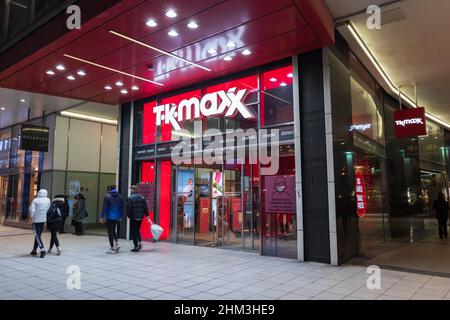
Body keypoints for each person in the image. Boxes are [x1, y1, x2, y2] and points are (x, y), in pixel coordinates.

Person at [100, 185, 124, 253]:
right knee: (113, 230)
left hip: (110, 217)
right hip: (117, 217)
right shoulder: (120, 196)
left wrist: (102, 217)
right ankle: (117, 244)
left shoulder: (107, 196)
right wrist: (120, 216)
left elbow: (104, 208)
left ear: (109, 189)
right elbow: (122, 208)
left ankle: (112, 248)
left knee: (110, 232)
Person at [127, 185, 149, 252]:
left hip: (134, 217)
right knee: (137, 230)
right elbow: (145, 207)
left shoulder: (130, 198)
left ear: (132, 190)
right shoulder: (142, 197)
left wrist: (129, 216)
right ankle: (140, 242)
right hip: (140, 216)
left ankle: (136, 246)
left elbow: (129, 208)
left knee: (134, 231)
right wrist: (147, 215)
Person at [29, 189, 51, 258]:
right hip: (43, 220)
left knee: (37, 235)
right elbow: (48, 209)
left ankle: (42, 249)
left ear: (38, 193)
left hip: (36, 220)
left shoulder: (35, 200)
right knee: (38, 235)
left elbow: (32, 211)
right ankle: (34, 250)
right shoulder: (48, 200)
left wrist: (32, 218)